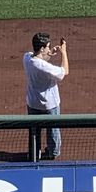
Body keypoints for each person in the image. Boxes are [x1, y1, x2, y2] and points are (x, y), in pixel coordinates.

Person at [23, 32, 67, 160]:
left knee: (34, 131)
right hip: (49, 105)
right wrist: (63, 52)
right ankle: (53, 152)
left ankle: (35, 153)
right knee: (53, 130)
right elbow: (65, 71)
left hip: (33, 102)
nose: (49, 48)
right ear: (42, 48)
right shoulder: (45, 67)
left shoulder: (26, 58)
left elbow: (38, 59)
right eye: (48, 47)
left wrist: (49, 53)